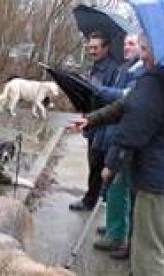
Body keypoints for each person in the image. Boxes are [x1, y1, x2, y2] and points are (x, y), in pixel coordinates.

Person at [74, 33, 164, 276]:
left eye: (145, 49)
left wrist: (111, 164)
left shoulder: (157, 79)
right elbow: (127, 104)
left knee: (150, 259)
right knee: (151, 245)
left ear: (162, 48)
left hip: (160, 185)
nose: (142, 56)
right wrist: (92, 119)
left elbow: (133, 128)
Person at [89, 34, 143, 260]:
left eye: (132, 44)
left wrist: (99, 90)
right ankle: (115, 228)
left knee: (120, 188)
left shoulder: (140, 73)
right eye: (125, 43)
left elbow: (124, 99)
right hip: (114, 132)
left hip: (124, 138)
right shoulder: (127, 67)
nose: (126, 47)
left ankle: (117, 235)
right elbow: (120, 100)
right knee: (114, 187)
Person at [69, 31, 119, 211]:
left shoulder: (114, 69)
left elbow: (114, 99)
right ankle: (92, 199)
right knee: (93, 162)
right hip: (92, 121)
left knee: (100, 164)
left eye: (95, 48)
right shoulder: (94, 67)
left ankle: (95, 201)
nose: (91, 51)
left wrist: (93, 89)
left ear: (106, 48)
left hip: (105, 124)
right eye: (89, 47)